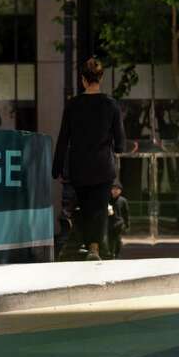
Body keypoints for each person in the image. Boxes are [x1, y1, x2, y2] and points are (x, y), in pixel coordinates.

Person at [52, 57, 126, 260]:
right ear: (101, 77)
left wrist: (56, 167)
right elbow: (120, 142)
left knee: (84, 206)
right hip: (103, 166)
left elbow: (63, 138)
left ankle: (88, 245)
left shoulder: (73, 105)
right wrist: (116, 148)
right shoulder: (111, 105)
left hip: (80, 167)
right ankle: (94, 247)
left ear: (83, 79)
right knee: (100, 207)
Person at [108, 183, 130, 259]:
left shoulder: (123, 200)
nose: (115, 191)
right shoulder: (107, 199)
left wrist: (127, 225)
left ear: (120, 191)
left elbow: (126, 213)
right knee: (110, 239)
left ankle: (116, 254)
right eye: (113, 189)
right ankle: (111, 254)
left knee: (117, 240)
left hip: (119, 224)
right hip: (109, 223)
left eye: (117, 189)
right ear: (111, 190)